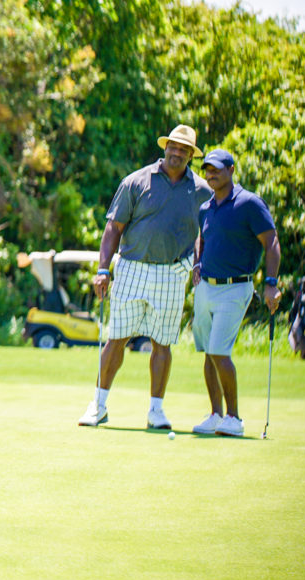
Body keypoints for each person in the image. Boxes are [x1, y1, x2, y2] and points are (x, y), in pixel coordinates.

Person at [79, 124, 212, 429]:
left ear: (191, 154)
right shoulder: (136, 181)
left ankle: (156, 411)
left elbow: (204, 232)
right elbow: (113, 227)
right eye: (173, 147)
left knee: (162, 343)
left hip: (171, 272)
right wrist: (103, 269)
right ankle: (98, 405)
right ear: (165, 148)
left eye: (184, 149)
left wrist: (197, 263)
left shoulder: (202, 190)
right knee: (117, 339)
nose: (177, 152)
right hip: (132, 268)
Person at [190, 149, 281, 437]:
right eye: (207, 169)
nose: (211, 174)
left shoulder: (249, 203)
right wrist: (197, 263)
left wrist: (271, 283)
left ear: (230, 169)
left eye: (216, 169)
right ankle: (216, 415)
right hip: (206, 287)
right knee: (207, 352)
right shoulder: (206, 207)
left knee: (219, 351)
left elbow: (271, 242)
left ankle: (234, 418)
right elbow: (201, 238)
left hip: (236, 286)